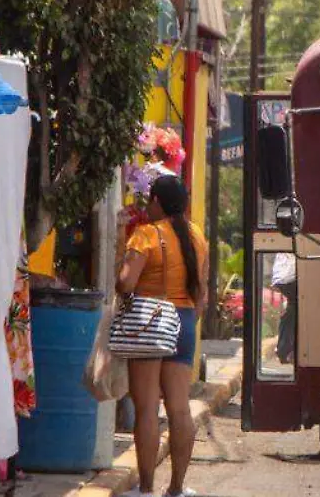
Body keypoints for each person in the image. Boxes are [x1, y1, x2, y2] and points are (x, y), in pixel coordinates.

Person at [116, 175, 209, 497]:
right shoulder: (196, 236)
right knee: (180, 409)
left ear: (156, 201)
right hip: (182, 321)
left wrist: (121, 253)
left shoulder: (145, 235)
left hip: (149, 322)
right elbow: (202, 293)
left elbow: (127, 283)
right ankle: (177, 488)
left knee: (146, 409)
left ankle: (146, 489)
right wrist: (186, 318)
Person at [271, 252, 297, 364]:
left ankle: (284, 349)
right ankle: (285, 349)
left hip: (282, 279)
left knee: (291, 310)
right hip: (289, 278)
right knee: (293, 310)